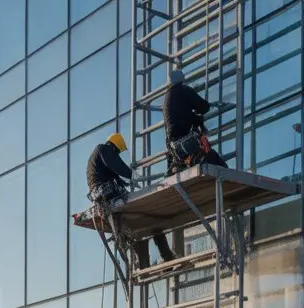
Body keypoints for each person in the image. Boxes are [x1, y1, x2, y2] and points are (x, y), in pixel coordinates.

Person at [86, 133, 177, 268]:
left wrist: (128, 181)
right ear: (114, 147)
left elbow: (117, 177)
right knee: (150, 220)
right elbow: (118, 166)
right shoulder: (103, 149)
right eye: (117, 153)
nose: (117, 156)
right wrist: (131, 174)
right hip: (105, 194)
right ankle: (165, 258)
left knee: (133, 229)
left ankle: (145, 263)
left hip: (105, 196)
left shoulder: (102, 161)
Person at [163, 71, 227, 174]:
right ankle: (225, 175)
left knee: (184, 169)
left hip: (174, 145)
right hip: (185, 140)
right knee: (212, 160)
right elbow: (203, 107)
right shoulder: (183, 90)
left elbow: (180, 115)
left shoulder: (168, 96)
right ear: (182, 79)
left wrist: (195, 118)